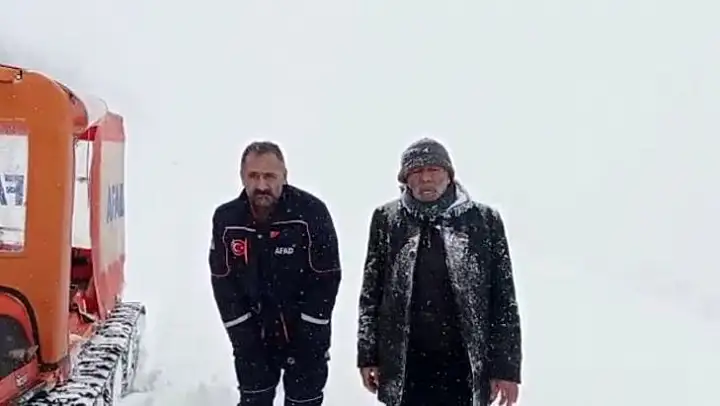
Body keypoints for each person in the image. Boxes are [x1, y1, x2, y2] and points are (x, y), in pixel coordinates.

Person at [356, 137, 523, 406]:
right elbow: (371, 294)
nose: (425, 178)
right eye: (416, 171)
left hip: (463, 365)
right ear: (405, 179)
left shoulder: (484, 221)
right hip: (406, 364)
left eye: (433, 170)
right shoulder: (387, 220)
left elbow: (504, 301)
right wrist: (368, 356)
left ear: (448, 175)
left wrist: (506, 369)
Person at [208, 141, 342, 406]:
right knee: (254, 400)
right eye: (253, 176)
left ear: (284, 175)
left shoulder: (311, 213)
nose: (261, 185)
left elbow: (326, 278)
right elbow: (223, 281)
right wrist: (243, 333)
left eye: (269, 176)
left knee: (304, 401)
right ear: (242, 176)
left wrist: (310, 330)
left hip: (305, 334)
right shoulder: (227, 219)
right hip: (252, 334)